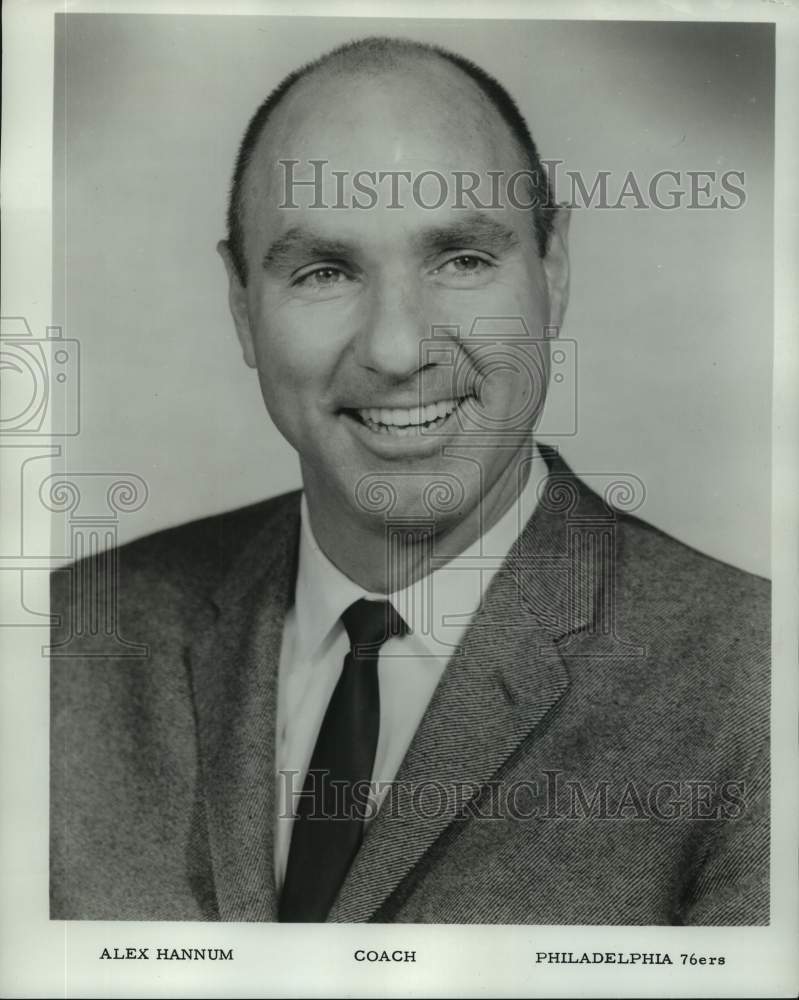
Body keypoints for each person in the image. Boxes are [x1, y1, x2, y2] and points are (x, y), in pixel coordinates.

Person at [50, 36, 769, 924]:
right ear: (242, 307)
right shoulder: (59, 654)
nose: (396, 349)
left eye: (460, 260)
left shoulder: (759, 690)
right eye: (324, 271)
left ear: (553, 269)